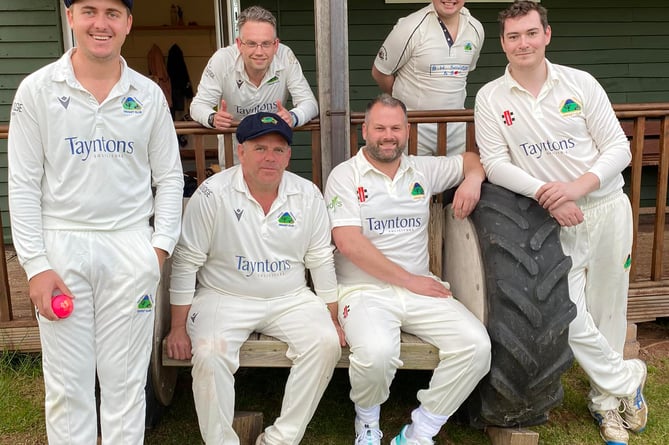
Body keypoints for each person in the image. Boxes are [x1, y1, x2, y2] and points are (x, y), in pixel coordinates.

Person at [7, 0, 185, 444]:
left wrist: (157, 250)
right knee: (69, 387)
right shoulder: (37, 90)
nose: (99, 24)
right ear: (70, 17)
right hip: (62, 248)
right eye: (89, 11)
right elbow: (24, 184)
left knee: (125, 383)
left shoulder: (147, 95)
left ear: (128, 23)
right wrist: (36, 265)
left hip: (129, 248)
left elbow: (169, 178)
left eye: (112, 13)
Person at [474, 2, 647, 444]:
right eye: (513, 36)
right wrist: (548, 195)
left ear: (546, 35)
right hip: (548, 220)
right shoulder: (492, 97)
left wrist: (576, 187)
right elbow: (494, 163)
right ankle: (627, 379)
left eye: (531, 33)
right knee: (563, 315)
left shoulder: (580, 83)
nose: (523, 43)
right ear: (503, 43)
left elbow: (618, 149)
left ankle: (606, 405)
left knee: (608, 307)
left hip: (606, 208)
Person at [165, 112, 344, 445]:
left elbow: (320, 259)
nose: (270, 158)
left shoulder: (307, 195)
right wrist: (178, 327)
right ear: (241, 151)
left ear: (289, 156)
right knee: (209, 353)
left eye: (278, 150)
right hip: (223, 295)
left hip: (290, 297)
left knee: (325, 343)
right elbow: (187, 260)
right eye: (260, 148)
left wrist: (331, 318)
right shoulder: (211, 194)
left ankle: (280, 439)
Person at [324, 94, 491, 445]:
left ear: (408, 131)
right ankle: (367, 424)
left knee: (477, 347)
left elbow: (471, 159)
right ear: (364, 130)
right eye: (380, 127)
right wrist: (409, 280)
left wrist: (473, 180)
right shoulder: (345, 175)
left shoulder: (423, 169)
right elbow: (348, 242)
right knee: (377, 353)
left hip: (419, 289)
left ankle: (420, 432)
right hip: (363, 290)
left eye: (396, 128)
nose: (389, 135)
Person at [190, 5, 318, 166]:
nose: (259, 51)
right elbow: (197, 106)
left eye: (266, 44)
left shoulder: (285, 56)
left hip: (273, 153)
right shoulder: (222, 59)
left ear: (276, 45)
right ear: (239, 44)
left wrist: (293, 117)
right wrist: (212, 118)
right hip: (235, 154)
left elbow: (310, 104)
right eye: (251, 43)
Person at [372, 0, 484, 156]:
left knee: (460, 179)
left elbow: (463, 72)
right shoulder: (410, 26)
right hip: (415, 128)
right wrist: (400, 102)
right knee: (414, 180)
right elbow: (380, 72)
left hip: (457, 130)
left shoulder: (476, 28)